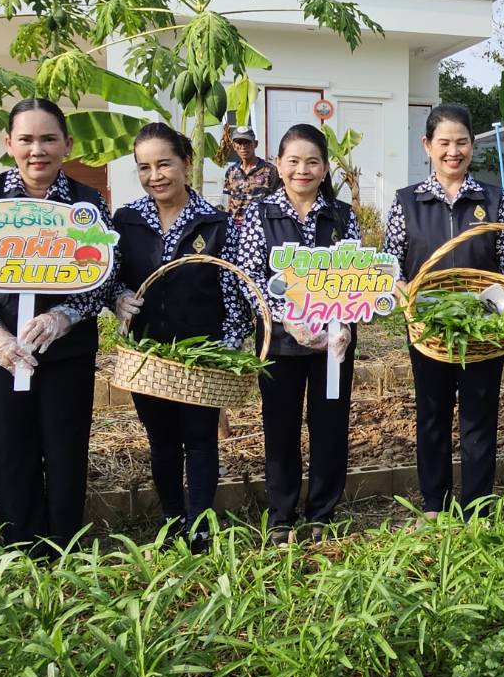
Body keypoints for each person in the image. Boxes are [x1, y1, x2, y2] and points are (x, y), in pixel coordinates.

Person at [0, 98, 117, 550]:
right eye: (26, 139)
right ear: (9, 143)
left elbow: (104, 271)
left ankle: (66, 544)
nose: (37, 150)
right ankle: (22, 544)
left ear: (67, 144)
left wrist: (66, 315)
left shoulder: (86, 202)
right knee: (8, 447)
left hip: (66, 352)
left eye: (48, 139)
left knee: (65, 447)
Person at [383, 103, 504, 518]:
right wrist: (402, 290)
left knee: (480, 415)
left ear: (472, 145)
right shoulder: (407, 201)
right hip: (429, 323)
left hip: (483, 321)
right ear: (427, 145)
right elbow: (390, 261)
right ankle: (434, 504)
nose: (453, 151)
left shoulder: (493, 198)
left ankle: (477, 507)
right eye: (444, 143)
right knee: (431, 414)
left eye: (461, 142)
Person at [113, 122, 247, 550]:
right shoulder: (127, 220)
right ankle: (171, 517)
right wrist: (118, 299)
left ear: (186, 164)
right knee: (161, 439)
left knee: (200, 439)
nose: (155, 176)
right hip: (147, 355)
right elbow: (110, 278)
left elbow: (234, 292)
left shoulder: (216, 223)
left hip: (201, 354)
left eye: (164, 164)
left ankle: (200, 523)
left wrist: (228, 349)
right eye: (145, 167)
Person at [232, 123, 357, 541]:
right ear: (278, 164)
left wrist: (346, 320)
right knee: (280, 426)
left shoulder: (341, 216)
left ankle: (322, 513)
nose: (302, 170)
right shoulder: (259, 213)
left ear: (325, 168)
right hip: (280, 343)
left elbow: (357, 275)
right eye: (294, 161)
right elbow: (249, 275)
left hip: (334, 342)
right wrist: (286, 316)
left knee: (330, 425)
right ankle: (281, 515)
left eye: (312, 162)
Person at [223, 125, 279, 228]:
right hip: (235, 226)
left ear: (255, 144)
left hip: (260, 226)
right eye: (239, 142)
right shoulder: (231, 171)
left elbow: (278, 199)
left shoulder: (270, 170)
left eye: (247, 142)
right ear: (234, 146)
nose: (243, 147)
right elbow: (229, 201)